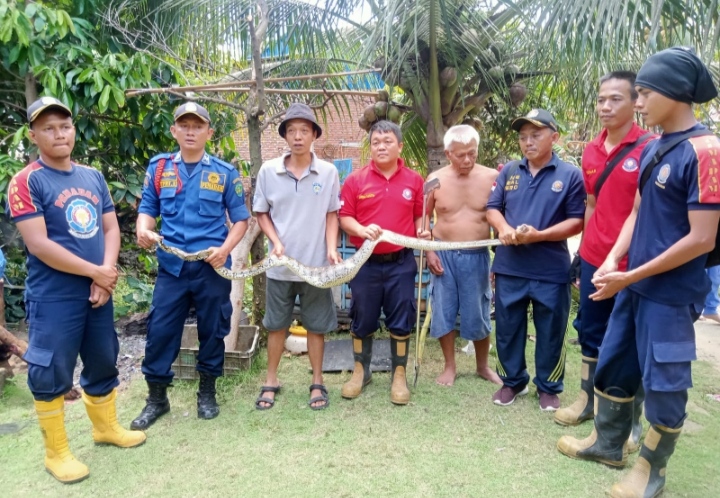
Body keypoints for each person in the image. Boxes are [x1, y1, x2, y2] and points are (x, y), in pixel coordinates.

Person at [556, 47, 720, 498]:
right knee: (614, 362)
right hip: (634, 282)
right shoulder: (657, 148)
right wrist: (613, 261)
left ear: (676, 92)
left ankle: (650, 472)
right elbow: (635, 212)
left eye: (645, 94)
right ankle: (608, 445)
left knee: (666, 381)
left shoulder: (705, 151)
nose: (640, 102)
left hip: (669, 292)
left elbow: (702, 239)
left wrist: (630, 275)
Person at [8, 97, 145, 484]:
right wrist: (96, 274)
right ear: (33, 135)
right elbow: (39, 245)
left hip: (97, 291)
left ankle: (106, 428)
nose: (58, 134)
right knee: (51, 370)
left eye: (64, 126)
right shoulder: (26, 181)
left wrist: (107, 272)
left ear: (73, 129)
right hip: (54, 296)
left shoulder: (92, 177)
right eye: (48, 128)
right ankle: (57, 453)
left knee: (103, 358)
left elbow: (110, 229)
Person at [132, 102, 250, 429]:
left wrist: (225, 250)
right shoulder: (158, 168)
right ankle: (157, 399)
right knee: (159, 332)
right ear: (174, 131)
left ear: (208, 133)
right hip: (172, 267)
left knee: (213, 331)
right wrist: (143, 228)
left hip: (211, 268)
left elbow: (241, 220)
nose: (190, 131)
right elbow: (148, 207)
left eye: (197, 126)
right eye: (183, 125)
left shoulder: (225, 173)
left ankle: (207, 393)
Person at [554, 72, 654, 446]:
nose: (606, 107)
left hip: (635, 263)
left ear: (635, 103)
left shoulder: (650, 148)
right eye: (601, 100)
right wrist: (584, 251)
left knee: (631, 339)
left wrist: (617, 255)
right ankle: (586, 401)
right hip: (596, 257)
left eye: (615, 99)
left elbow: (642, 211)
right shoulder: (592, 150)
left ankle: (630, 419)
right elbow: (593, 202)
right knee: (591, 330)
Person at [487, 109, 586, 411]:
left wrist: (539, 235)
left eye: (536, 135)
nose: (527, 142)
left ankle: (548, 387)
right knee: (507, 327)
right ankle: (512, 382)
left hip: (550, 268)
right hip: (509, 266)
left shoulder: (570, 175)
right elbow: (492, 208)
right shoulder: (509, 172)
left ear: (554, 137)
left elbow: (576, 221)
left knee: (551, 330)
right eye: (522, 136)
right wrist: (503, 228)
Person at [252, 103, 341, 410]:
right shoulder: (268, 171)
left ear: (314, 134)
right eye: (292, 130)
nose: (298, 136)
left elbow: (332, 214)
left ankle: (317, 381)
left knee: (316, 325)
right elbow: (261, 213)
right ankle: (271, 380)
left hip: (316, 267)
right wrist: (275, 241)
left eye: (305, 130)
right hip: (280, 267)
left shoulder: (328, 172)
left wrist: (331, 248)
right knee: (276, 325)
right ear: (285, 136)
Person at [339, 120, 428, 405]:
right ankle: (360, 371)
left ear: (399, 146)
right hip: (365, 262)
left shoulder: (414, 180)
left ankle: (398, 374)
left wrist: (423, 229)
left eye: (387, 141)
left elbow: (419, 217)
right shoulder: (355, 180)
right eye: (376, 142)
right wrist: (361, 230)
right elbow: (345, 217)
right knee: (362, 314)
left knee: (401, 314)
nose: (381, 146)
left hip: (401, 261)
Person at [424, 124, 502, 387]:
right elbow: (424, 222)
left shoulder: (493, 177)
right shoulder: (434, 180)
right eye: (460, 155)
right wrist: (429, 251)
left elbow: (502, 217)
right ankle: (449, 367)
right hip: (443, 254)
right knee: (444, 310)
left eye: (472, 153)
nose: (467, 159)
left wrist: (499, 258)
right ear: (448, 153)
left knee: (478, 310)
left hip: (477, 254)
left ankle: (482, 366)